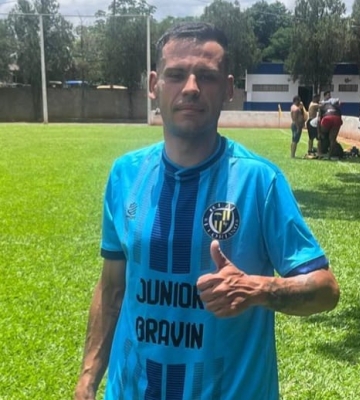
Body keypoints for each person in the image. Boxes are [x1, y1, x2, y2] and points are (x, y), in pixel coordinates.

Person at [74, 22, 340, 400]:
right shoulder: (125, 175)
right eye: (176, 74)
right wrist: (87, 381)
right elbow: (112, 287)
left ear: (228, 88)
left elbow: (326, 290)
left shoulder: (258, 181)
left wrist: (257, 289)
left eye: (207, 76)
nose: (191, 87)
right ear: (154, 85)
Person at [317, 91, 343, 159]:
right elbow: (340, 114)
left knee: (322, 135)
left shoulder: (322, 105)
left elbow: (318, 120)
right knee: (332, 139)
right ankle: (329, 156)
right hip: (337, 118)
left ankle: (320, 153)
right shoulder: (334, 104)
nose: (330, 96)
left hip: (327, 118)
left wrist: (319, 132)